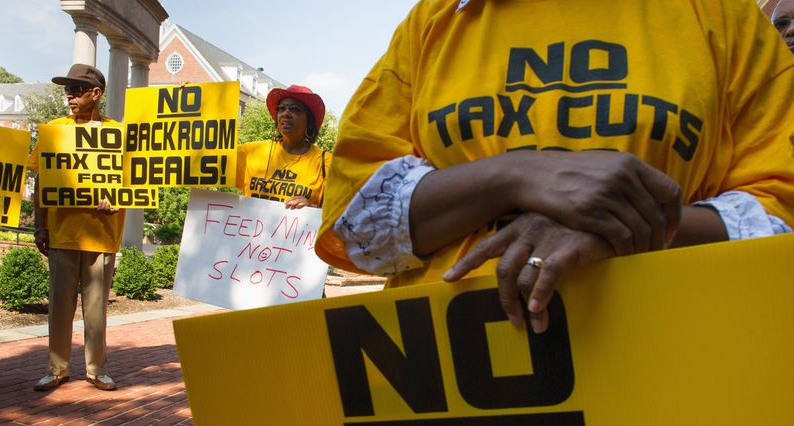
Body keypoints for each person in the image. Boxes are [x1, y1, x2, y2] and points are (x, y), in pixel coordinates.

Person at [317, 0, 794, 333]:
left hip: (674, 357)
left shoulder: (722, 16)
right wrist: (518, 175)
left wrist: (616, 228)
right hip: (442, 377)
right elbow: (356, 223)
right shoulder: (436, 20)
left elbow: (781, 215)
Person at [30, 64, 124, 392]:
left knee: (96, 310)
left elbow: (135, 181)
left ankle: (97, 370)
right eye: (66, 89)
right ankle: (56, 370)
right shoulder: (54, 131)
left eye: (76, 89)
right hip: (61, 233)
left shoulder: (119, 134)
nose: (69, 95)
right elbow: (41, 180)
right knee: (59, 307)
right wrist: (40, 226)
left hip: (102, 235)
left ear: (95, 94)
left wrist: (115, 198)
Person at [236, 85, 331, 209]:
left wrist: (312, 209)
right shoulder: (250, 152)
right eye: (281, 109)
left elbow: (340, 215)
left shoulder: (326, 163)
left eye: (295, 109)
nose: (286, 113)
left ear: (309, 120)